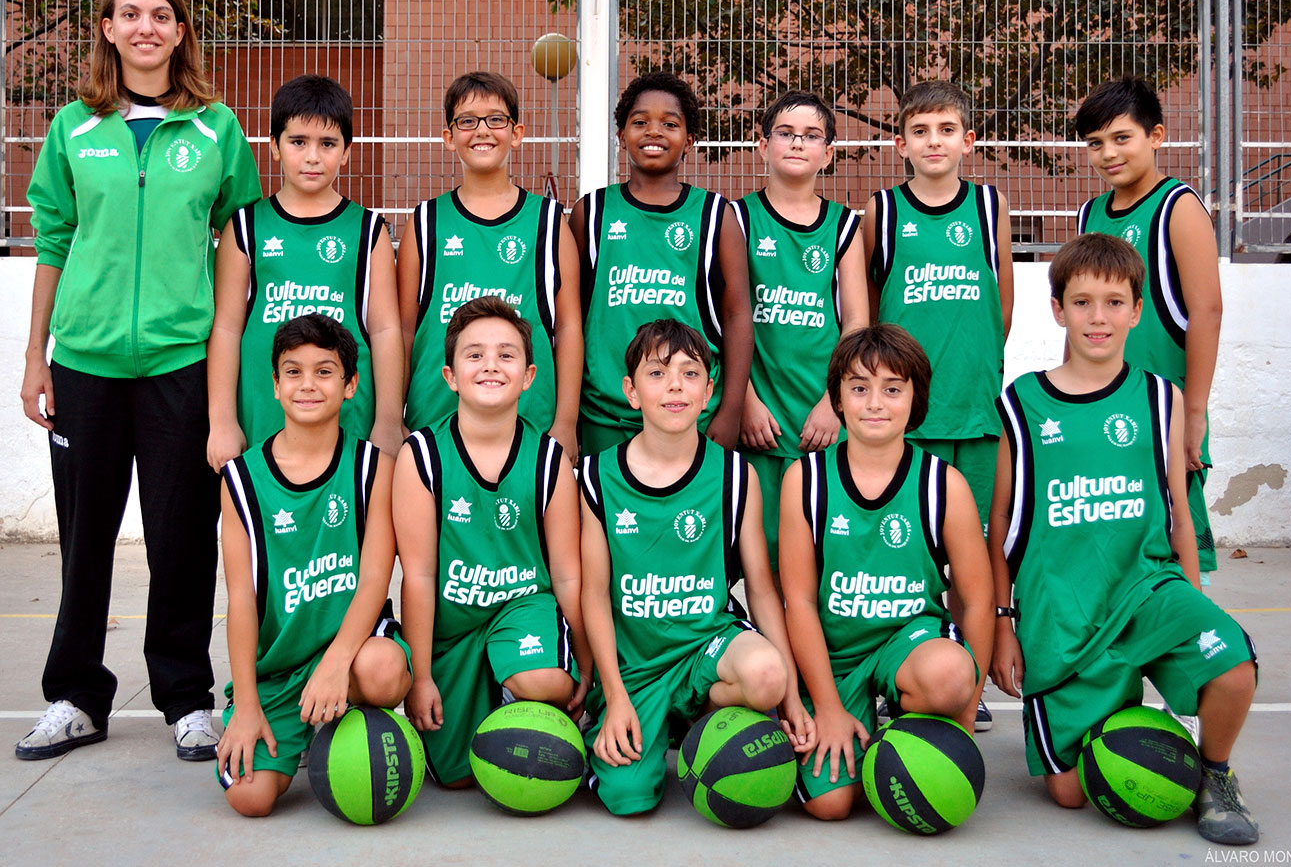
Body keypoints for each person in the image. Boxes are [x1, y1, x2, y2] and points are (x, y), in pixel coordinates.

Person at [17, 0, 262, 762]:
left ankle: (186, 699)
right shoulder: (74, 128)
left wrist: (232, 366)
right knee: (84, 537)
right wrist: (36, 356)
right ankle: (75, 695)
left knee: (181, 537)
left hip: (179, 362)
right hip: (84, 363)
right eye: (130, 14)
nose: (146, 27)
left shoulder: (216, 128)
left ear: (181, 30)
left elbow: (240, 242)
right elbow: (54, 240)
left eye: (161, 15)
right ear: (109, 29)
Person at [988, 233, 1259, 845]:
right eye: (1081, 302)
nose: (1098, 318)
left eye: (1114, 303)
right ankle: (1136, 724)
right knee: (1071, 794)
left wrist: (1195, 598)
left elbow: (1179, 513)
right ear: (1057, 309)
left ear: (1137, 311)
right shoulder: (1023, 402)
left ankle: (1215, 773)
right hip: (1064, 614)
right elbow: (1001, 520)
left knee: (1233, 665)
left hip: (1146, 590)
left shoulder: (1162, 397)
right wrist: (1004, 622)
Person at [579, 319, 812, 816]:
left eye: (689, 374)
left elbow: (761, 590)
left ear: (708, 392)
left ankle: (695, 723)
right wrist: (614, 696)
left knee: (766, 675)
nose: (675, 386)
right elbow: (594, 594)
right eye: (657, 373)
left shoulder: (734, 474)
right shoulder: (596, 475)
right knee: (628, 799)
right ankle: (635, 722)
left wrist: (791, 696)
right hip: (635, 666)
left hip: (706, 646)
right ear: (631, 391)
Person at [781, 324, 993, 820]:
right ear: (837, 399)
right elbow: (800, 602)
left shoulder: (944, 484)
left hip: (909, 642)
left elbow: (978, 600)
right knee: (831, 806)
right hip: (836, 656)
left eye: (893, 389)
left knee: (948, 676)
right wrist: (828, 709)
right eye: (859, 388)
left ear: (915, 400)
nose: (875, 403)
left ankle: (906, 726)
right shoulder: (805, 480)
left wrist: (966, 708)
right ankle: (848, 726)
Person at [216, 314, 411, 817]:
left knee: (385, 670)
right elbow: (241, 601)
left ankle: (349, 726)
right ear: (275, 385)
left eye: (324, 372)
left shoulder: (373, 468)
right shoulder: (240, 479)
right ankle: (294, 718)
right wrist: (247, 705)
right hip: (278, 665)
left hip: (350, 649)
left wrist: (336, 663)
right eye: (293, 372)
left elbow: (375, 578)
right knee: (250, 799)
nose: (307, 384)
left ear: (350, 385)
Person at [394, 296, 590, 787]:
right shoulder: (422, 455)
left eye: (506, 355)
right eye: (474, 354)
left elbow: (568, 575)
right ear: (450, 376)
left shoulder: (548, 459)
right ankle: (479, 693)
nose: (490, 365)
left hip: (523, 609)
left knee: (544, 681)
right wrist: (420, 677)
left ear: (528, 376)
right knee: (456, 776)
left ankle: (517, 691)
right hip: (453, 625)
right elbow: (418, 575)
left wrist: (585, 664)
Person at [866, 80, 1013, 732]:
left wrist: (976, 370)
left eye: (947, 130)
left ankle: (962, 673)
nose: (934, 142)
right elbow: (872, 310)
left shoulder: (988, 205)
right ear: (900, 144)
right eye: (920, 131)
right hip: (908, 419)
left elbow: (1001, 303)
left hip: (973, 410)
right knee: (907, 556)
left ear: (968, 141)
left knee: (969, 554)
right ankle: (900, 671)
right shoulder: (882, 211)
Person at [206, 74, 403, 471]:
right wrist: (222, 420)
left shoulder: (368, 231)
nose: (313, 156)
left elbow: (385, 331)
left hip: (347, 420)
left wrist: (387, 420)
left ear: (346, 152)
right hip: (264, 415)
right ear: (274, 146)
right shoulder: (245, 227)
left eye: (327, 143)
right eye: (298, 142)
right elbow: (226, 329)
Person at [1074, 75, 1223, 582]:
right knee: (1112, 546)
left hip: (1164, 412)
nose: (1108, 153)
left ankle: (1188, 627)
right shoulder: (1090, 215)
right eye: (1095, 143)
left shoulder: (1177, 206)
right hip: (1104, 409)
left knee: (1175, 550)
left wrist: (1194, 415)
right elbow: (1079, 318)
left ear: (1155, 136)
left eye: (1122, 138)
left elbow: (1206, 311)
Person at [398, 72, 582, 459]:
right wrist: (391, 414)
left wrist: (566, 421)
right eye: (467, 120)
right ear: (449, 136)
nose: (482, 130)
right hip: (435, 425)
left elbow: (568, 327)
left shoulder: (548, 222)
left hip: (529, 426)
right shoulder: (426, 222)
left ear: (516, 133)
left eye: (496, 119)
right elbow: (404, 329)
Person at [570, 72, 752, 455]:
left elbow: (736, 315)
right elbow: (571, 318)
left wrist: (732, 409)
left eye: (669, 124)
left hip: (690, 414)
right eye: (640, 122)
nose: (654, 131)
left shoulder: (715, 215)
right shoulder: (592, 214)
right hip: (605, 415)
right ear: (621, 135)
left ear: (689, 139)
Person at [734, 90, 869, 576]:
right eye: (785, 133)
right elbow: (723, 321)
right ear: (762, 146)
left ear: (828, 154)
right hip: (762, 423)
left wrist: (835, 402)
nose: (797, 143)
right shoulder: (737, 218)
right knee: (764, 565)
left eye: (811, 136)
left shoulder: (844, 225)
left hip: (822, 420)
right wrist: (744, 400)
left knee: (825, 560)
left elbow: (856, 322)